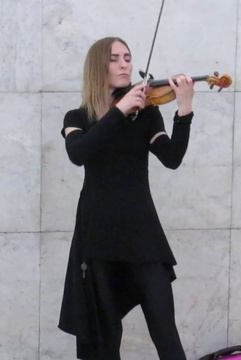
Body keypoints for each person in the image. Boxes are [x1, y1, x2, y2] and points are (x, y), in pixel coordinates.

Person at [57, 36, 194, 360]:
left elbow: (171, 157)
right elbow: (79, 153)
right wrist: (118, 110)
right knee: (104, 341)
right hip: (98, 238)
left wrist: (184, 110)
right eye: (115, 58)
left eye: (128, 58)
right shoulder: (77, 118)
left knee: (166, 332)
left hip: (142, 235)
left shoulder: (145, 115)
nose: (124, 64)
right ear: (98, 66)